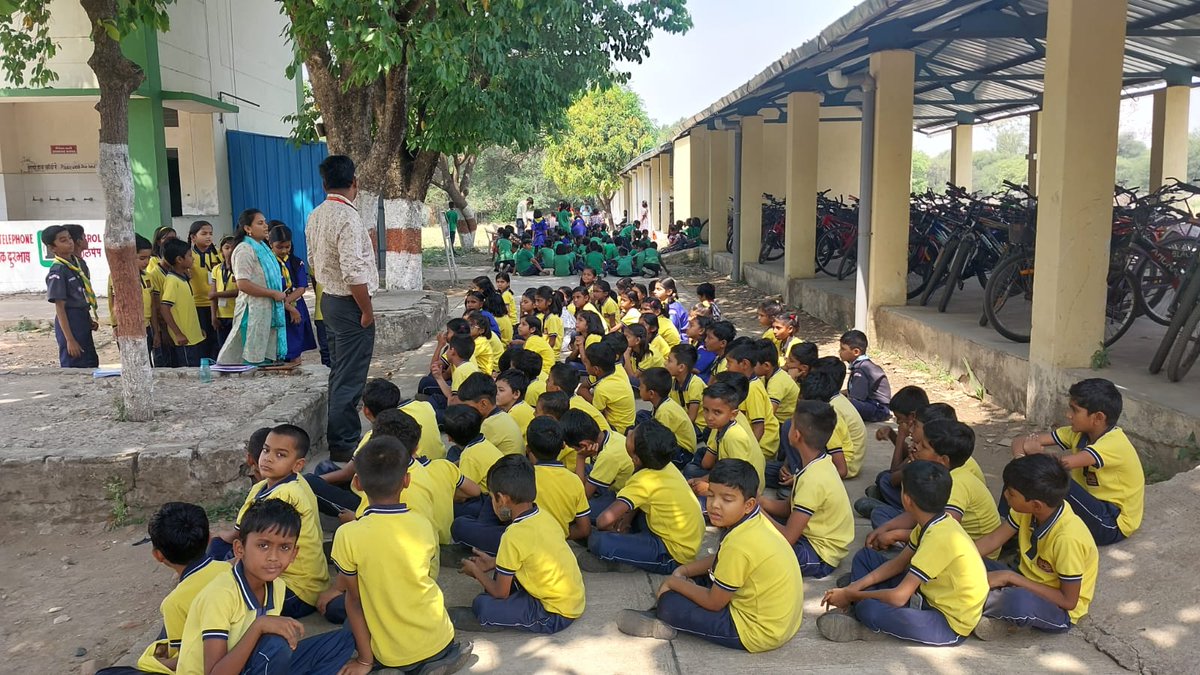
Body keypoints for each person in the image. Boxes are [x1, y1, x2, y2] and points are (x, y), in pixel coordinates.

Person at [617, 459, 804, 653]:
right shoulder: (754, 520)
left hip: (757, 632)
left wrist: (674, 583)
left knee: (670, 603)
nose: (715, 505)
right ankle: (674, 602)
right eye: (711, 495)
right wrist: (685, 569)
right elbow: (721, 560)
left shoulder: (740, 544)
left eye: (727, 499)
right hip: (783, 622)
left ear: (748, 504)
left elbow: (714, 603)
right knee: (696, 576)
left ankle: (664, 620)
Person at [330, 436, 473, 673]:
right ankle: (437, 660)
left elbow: (354, 600)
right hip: (440, 637)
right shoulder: (422, 524)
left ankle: (383, 666)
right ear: (407, 480)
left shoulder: (348, 534)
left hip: (391, 653)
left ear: (357, 483)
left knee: (346, 621)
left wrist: (364, 660)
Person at [817, 461, 988, 646]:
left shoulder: (940, 537)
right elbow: (897, 564)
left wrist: (851, 594)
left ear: (906, 499)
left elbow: (899, 597)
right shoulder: (933, 522)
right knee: (865, 557)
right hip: (924, 595)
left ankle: (862, 619)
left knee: (869, 609)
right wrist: (853, 589)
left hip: (947, 622)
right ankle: (859, 606)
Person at [177, 500, 356, 675]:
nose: (273, 557)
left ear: (294, 553)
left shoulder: (277, 586)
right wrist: (258, 626)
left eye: (284, 547)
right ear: (240, 549)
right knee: (276, 645)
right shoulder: (221, 595)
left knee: (344, 640)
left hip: (253, 664)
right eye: (263, 545)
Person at [207, 425, 332, 620]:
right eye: (266, 450)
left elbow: (253, 549)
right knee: (218, 549)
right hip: (310, 583)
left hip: (295, 592)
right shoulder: (273, 485)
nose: (268, 458)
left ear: (298, 465)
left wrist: (213, 571)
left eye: (280, 455)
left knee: (215, 572)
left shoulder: (285, 494)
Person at [452, 455, 586, 634]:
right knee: (501, 572)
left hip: (554, 613)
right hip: (571, 597)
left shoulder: (513, 535)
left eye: (492, 498)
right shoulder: (543, 515)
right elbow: (531, 553)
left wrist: (475, 571)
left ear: (502, 499)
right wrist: (493, 562)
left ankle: (492, 620)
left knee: (482, 605)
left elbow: (501, 593)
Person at [972, 454, 1099, 640]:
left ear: (1036, 505)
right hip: (1022, 580)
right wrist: (956, 560)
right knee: (970, 561)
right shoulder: (1026, 511)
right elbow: (992, 540)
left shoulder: (1068, 538)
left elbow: (1068, 601)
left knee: (1018, 602)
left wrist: (1010, 577)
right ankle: (983, 608)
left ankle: (964, 600)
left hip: (1056, 609)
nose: (1005, 495)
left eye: (1012, 493)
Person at [95, 503, 230, 675]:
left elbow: (187, 659)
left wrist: (151, 662)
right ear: (209, 538)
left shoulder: (175, 603)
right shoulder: (228, 570)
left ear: (158, 555)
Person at [1009, 377, 1144, 545]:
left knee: (1054, 479)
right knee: (1018, 474)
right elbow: (1019, 441)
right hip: (1089, 506)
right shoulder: (1078, 433)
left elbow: (1056, 467)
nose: (1068, 415)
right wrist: (1020, 461)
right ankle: (1009, 528)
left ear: (1098, 417)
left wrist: (1035, 455)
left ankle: (1014, 535)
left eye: (1074, 410)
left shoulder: (1114, 443)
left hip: (1111, 523)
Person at [306, 155, 378, 463]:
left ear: (324, 184)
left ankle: (341, 437)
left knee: (339, 372)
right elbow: (353, 272)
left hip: (329, 300)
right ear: (354, 184)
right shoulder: (348, 217)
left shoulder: (316, 215)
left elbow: (312, 261)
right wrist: (366, 310)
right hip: (350, 304)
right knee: (349, 377)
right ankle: (345, 444)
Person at [585, 420, 703, 575]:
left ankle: (628, 557)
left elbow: (602, 521)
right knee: (614, 516)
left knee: (597, 540)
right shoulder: (663, 463)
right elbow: (638, 501)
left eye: (632, 435)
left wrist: (612, 531)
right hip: (677, 535)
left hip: (672, 554)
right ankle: (632, 547)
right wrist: (625, 522)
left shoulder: (643, 480)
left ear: (636, 459)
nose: (629, 431)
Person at [759, 402, 853, 578]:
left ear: (796, 435)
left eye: (791, 422)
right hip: (808, 536)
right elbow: (789, 508)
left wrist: (756, 512)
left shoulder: (813, 479)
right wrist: (761, 502)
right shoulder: (819, 462)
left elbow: (788, 538)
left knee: (758, 552)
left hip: (819, 554)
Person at [216, 209, 288, 367]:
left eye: (265, 222)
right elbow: (243, 284)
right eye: (260, 223)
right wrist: (273, 293)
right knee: (252, 355)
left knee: (266, 355)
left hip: (267, 309)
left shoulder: (262, 246)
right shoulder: (244, 249)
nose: (265, 226)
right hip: (253, 310)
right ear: (247, 228)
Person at [859, 385, 930, 515]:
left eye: (900, 418)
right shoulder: (924, 430)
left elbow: (894, 473)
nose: (898, 422)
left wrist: (901, 437)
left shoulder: (924, 440)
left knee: (885, 480)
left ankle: (894, 510)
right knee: (883, 478)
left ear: (912, 417)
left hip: (922, 502)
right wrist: (893, 435)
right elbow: (907, 458)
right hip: (917, 487)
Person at [687, 381, 763, 492]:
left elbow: (738, 476)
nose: (709, 417)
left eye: (717, 412)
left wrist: (708, 488)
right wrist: (701, 480)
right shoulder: (722, 428)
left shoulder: (734, 436)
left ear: (733, 415)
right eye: (706, 410)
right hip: (730, 476)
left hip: (745, 489)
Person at [43, 225, 99, 368]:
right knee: (75, 363)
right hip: (70, 320)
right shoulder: (58, 270)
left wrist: (88, 318)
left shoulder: (76, 263)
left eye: (69, 238)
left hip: (82, 317)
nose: (69, 242)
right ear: (52, 248)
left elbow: (81, 295)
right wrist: (69, 339)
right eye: (63, 240)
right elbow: (60, 307)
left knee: (90, 361)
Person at [269, 223, 318, 364]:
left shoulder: (297, 262)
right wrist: (287, 307)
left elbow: (301, 287)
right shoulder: (268, 264)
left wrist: (289, 304)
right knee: (277, 348)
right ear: (270, 244)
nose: (284, 250)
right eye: (280, 247)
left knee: (296, 346)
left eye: (287, 246)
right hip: (276, 307)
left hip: (296, 304)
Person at [159, 239, 206, 368]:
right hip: (184, 339)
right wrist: (178, 333)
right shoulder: (172, 281)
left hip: (192, 336)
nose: (193, 259)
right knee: (188, 370)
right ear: (179, 259)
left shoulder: (183, 278)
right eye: (190, 256)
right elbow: (164, 308)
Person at [458, 373, 524, 456]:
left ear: (484, 404)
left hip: (505, 467)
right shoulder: (501, 415)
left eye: (468, 407)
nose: (465, 410)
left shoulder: (489, 425)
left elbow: (473, 453)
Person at [579, 342, 635, 433]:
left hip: (617, 429)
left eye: (586, 363)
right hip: (627, 423)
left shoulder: (602, 388)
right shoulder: (618, 369)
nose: (585, 366)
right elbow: (581, 389)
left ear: (596, 369)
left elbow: (597, 414)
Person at [640, 367, 697, 457]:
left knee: (647, 455)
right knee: (641, 415)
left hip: (683, 451)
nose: (639, 388)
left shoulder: (664, 411)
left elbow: (659, 440)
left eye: (641, 386)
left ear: (651, 393)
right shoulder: (661, 402)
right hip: (673, 441)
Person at [839, 329, 892, 423]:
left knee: (844, 404)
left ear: (856, 352)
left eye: (843, 349)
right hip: (875, 405)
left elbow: (856, 397)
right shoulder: (862, 365)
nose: (840, 352)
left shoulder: (861, 370)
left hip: (879, 409)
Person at [187, 220, 222, 359]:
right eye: (204, 234)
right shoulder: (188, 255)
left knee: (216, 338)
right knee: (202, 337)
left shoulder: (218, 254)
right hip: (197, 304)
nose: (208, 237)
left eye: (210, 234)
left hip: (217, 304)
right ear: (193, 237)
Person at [208, 235, 238, 349]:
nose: (230, 251)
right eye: (227, 247)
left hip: (236, 313)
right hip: (221, 315)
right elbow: (212, 294)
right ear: (221, 250)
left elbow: (240, 291)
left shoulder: (239, 268)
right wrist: (213, 316)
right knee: (222, 347)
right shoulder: (216, 269)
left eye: (233, 248)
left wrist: (217, 294)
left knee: (235, 347)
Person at [496, 369, 535, 437]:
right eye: (494, 389)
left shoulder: (514, 413)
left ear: (516, 394)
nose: (495, 393)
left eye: (501, 390)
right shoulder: (521, 405)